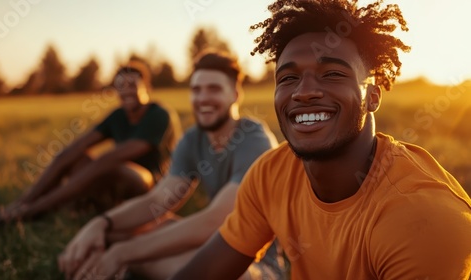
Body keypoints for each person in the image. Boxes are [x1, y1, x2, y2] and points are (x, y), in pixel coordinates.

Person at [171, 1, 471, 279]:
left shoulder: (423, 221)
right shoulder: (270, 174)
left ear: (373, 96)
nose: (303, 92)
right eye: (288, 78)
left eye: (332, 74)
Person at [57, 50, 285, 280]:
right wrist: (102, 224)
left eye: (214, 89)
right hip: (215, 245)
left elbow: (218, 220)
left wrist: (123, 253)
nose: (203, 98)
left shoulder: (253, 139)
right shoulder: (192, 139)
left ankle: (123, 264)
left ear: (235, 94)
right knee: (132, 230)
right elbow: (157, 200)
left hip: (254, 264)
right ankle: (117, 259)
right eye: (196, 90)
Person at [0, 61, 181, 222]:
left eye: (132, 85)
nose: (126, 91)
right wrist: (65, 158)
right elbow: (80, 145)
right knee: (74, 157)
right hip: (118, 180)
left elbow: (126, 152)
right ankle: (19, 206)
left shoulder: (159, 115)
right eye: (121, 86)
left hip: (153, 187)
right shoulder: (118, 116)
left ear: (147, 88)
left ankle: (34, 211)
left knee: (108, 161)